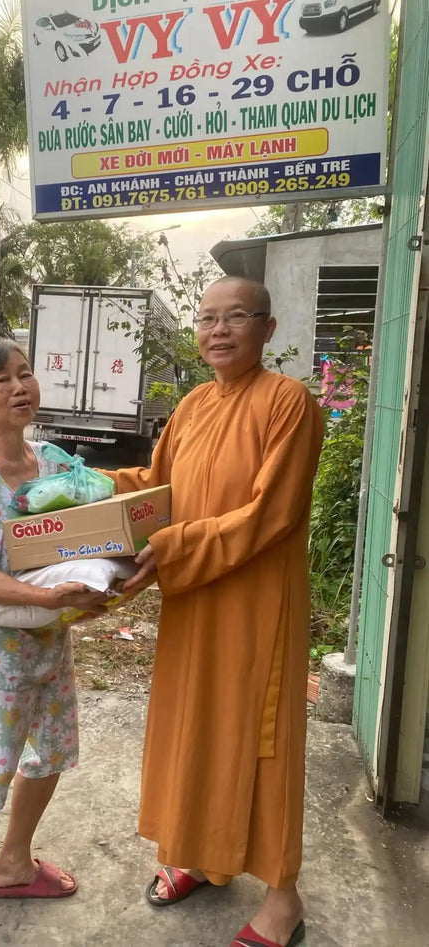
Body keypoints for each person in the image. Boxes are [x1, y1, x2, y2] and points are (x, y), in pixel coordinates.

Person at [108, 276, 324, 947]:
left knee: (258, 740)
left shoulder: (290, 403)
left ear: (268, 327)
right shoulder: (194, 405)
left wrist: (172, 546)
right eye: (208, 318)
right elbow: (156, 487)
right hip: (193, 595)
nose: (220, 330)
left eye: (237, 317)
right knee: (193, 726)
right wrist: (83, 486)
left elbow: (271, 514)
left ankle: (283, 899)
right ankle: (203, 857)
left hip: (256, 603)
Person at [0, 338, 106, 932]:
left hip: (48, 639)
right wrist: (47, 597)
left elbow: (87, 540)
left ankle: (13, 861)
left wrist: (108, 582)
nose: (19, 387)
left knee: (51, 751)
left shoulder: (57, 464)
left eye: (25, 374)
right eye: (1, 380)